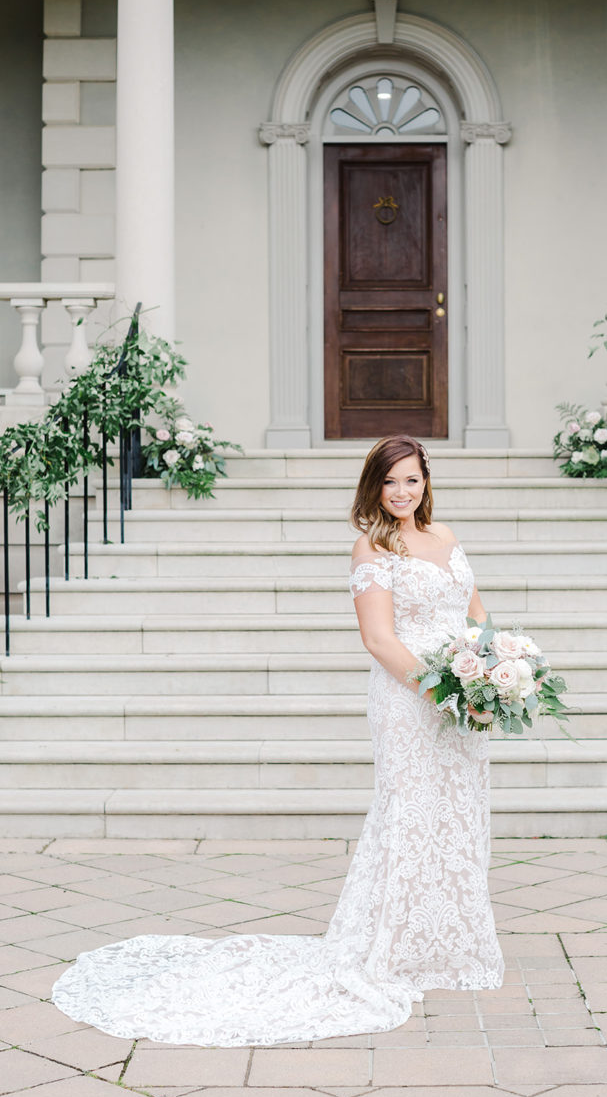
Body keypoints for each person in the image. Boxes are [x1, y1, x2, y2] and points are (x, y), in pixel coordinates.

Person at [51, 434, 504, 1047]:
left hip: (463, 695)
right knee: (409, 815)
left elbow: (476, 612)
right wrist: (443, 691)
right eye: (389, 481)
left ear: (427, 482)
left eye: (411, 479)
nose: (402, 492)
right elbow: (377, 639)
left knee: (458, 812)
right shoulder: (372, 548)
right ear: (373, 487)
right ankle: (393, 947)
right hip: (411, 699)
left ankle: (448, 940)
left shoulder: (445, 536)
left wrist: (492, 673)